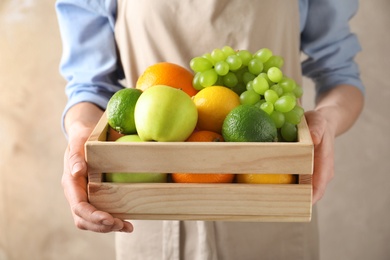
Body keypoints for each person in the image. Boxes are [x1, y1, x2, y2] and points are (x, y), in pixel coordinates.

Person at [56, 0, 364, 259]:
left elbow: (340, 75)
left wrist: (328, 118)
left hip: (271, 213)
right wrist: (82, 133)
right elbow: (90, 87)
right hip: (148, 210)